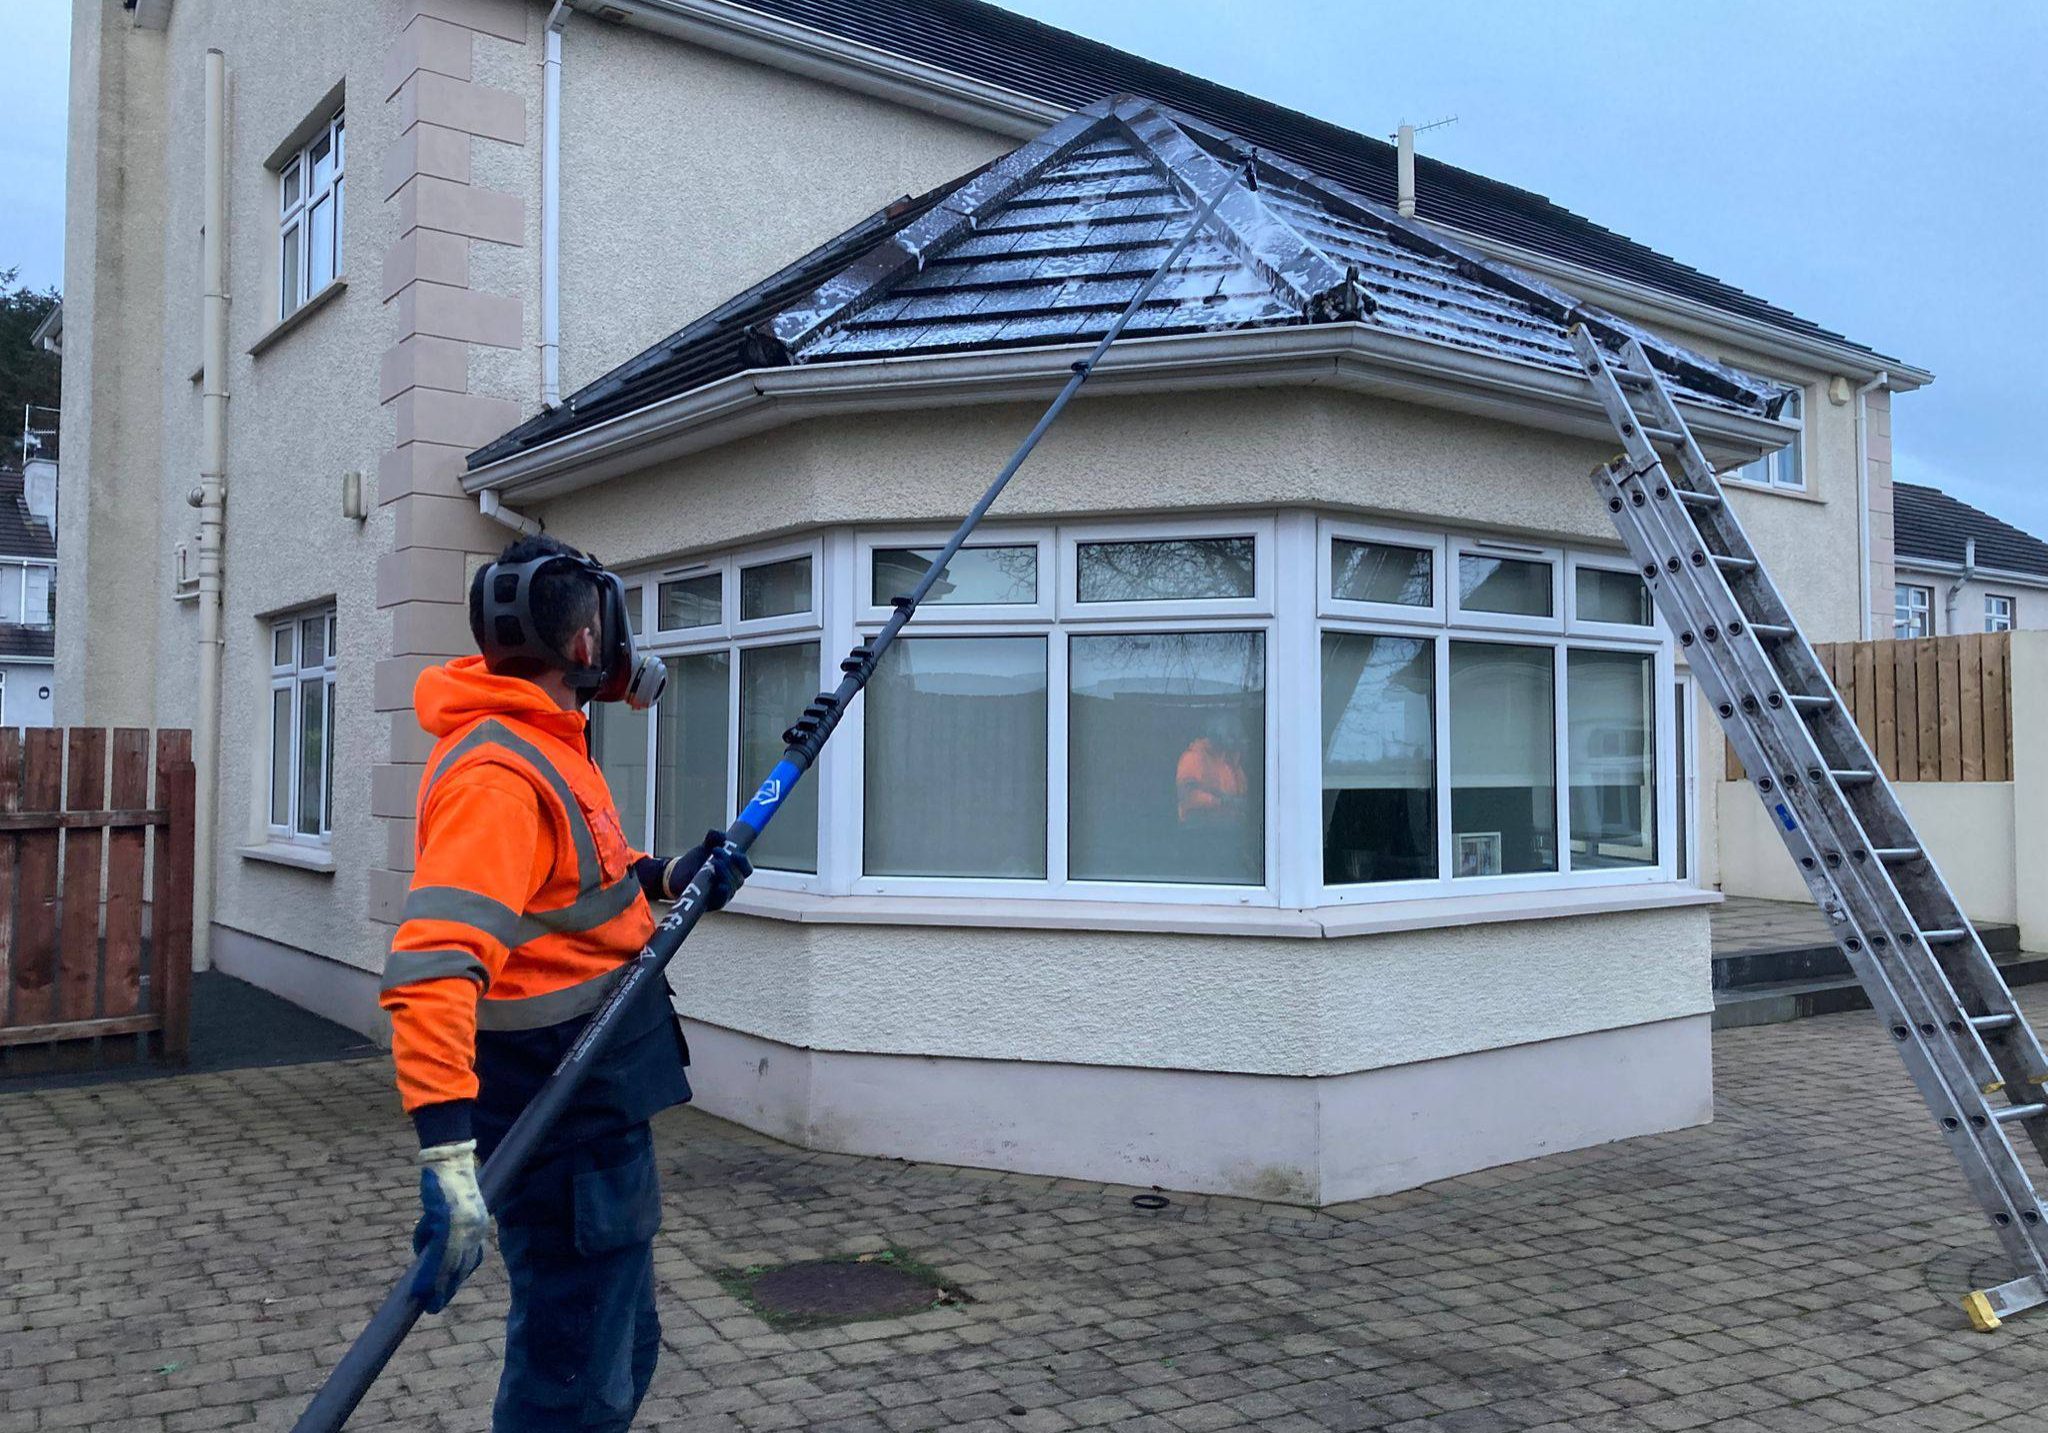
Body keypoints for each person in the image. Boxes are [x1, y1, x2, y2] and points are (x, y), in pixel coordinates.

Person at [378, 533, 749, 1431]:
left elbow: (579, 881)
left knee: (620, 1352)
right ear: (586, 646)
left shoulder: (546, 739)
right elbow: (432, 968)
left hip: (597, 1101)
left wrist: (674, 873)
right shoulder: (499, 774)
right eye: (608, 624)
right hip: (561, 1116)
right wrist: (446, 1160)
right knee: (573, 1387)